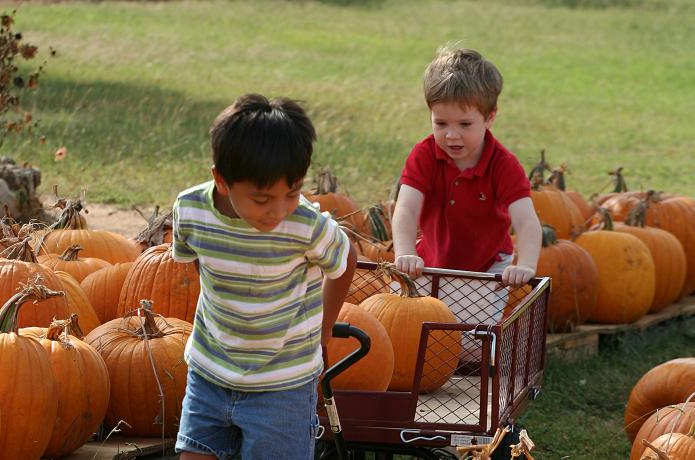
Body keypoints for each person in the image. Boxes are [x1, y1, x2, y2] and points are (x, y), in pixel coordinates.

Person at [171, 93, 357, 460]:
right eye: (261, 199)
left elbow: (345, 258)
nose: (279, 210)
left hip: (283, 385)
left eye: (291, 193)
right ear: (222, 181)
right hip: (209, 372)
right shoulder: (191, 212)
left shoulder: (306, 225)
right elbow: (200, 263)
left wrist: (324, 329)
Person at [392, 46, 541, 330]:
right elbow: (406, 209)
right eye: (441, 123)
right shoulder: (425, 154)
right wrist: (404, 252)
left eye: (464, 124)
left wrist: (526, 265)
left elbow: (526, 220)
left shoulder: (503, 165)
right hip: (430, 263)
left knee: (471, 345)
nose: (451, 134)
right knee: (406, 329)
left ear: (489, 117)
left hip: (486, 269)